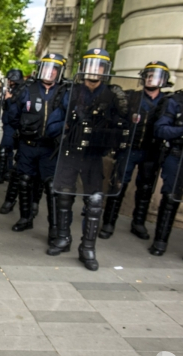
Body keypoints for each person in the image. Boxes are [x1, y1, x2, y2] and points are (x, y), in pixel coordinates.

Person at [47, 48, 129, 270]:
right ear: (83, 69)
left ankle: (88, 248)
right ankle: (63, 238)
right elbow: (53, 124)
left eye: (99, 66)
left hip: (94, 156)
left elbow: (124, 127)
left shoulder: (113, 96)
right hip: (71, 152)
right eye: (90, 66)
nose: (94, 71)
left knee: (93, 202)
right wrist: (64, 129)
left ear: (105, 70)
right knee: (63, 195)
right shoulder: (70, 92)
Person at [100, 61, 170, 240]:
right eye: (148, 75)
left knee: (145, 188)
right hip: (129, 149)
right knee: (118, 184)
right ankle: (108, 222)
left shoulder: (167, 101)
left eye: (155, 76)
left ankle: (138, 223)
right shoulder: (131, 97)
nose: (150, 79)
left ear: (163, 80)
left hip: (151, 151)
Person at [7, 54, 68, 245]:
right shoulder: (28, 89)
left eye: (53, 69)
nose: (49, 73)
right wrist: (23, 131)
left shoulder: (64, 92)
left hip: (50, 148)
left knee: (51, 187)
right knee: (24, 181)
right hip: (28, 144)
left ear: (59, 73)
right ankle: (26, 218)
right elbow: (13, 114)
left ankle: (54, 229)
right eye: (46, 68)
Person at [149, 84, 183, 256]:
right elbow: (161, 129)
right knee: (170, 197)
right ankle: (160, 241)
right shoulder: (175, 101)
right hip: (177, 154)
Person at [0, 68, 24, 185]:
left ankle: (1, 175)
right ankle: (8, 172)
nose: (8, 81)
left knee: (3, 149)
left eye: (9, 79)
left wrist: (8, 99)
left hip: (12, 125)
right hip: (9, 124)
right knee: (8, 151)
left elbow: (14, 110)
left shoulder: (19, 91)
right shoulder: (15, 90)